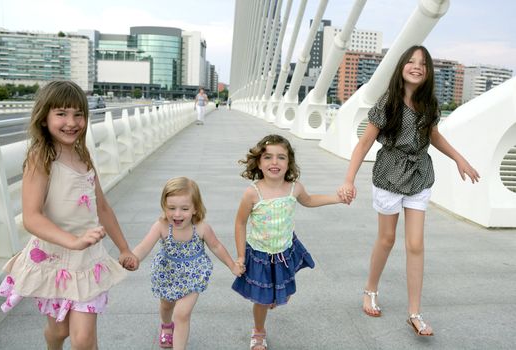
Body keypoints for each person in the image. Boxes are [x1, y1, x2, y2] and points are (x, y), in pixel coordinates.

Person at [337, 45, 480, 336]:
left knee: (416, 244)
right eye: (411, 62)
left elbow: (434, 136)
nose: (417, 66)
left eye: (423, 64)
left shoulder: (430, 105)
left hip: (419, 174)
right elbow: (364, 143)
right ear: (402, 66)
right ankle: (370, 289)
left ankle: (415, 312)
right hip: (390, 173)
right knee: (387, 239)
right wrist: (348, 180)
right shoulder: (388, 102)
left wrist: (459, 159)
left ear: (428, 72)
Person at [0, 80, 139, 349]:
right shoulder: (41, 158)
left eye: (78, 114)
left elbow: (103, 207)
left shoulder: (83, 156)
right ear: (44, 118)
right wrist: (72, 241)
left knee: (83, 339)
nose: (71, 122)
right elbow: (32, 217)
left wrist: (124, 248)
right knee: (59, 331)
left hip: (87, 260)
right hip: (54, 258)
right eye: (61, 113)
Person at [232, 134, 348, 350]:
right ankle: (258, 331)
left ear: (289, 162)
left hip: (285, 252)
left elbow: (310, 200)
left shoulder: (295, 188)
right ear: (259, 162)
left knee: (283, 293)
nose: (274, 162)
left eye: (281, 157)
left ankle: (274, 295)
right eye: (268, 157)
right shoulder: (252, 193)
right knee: (262, 300)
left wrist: (336, 198)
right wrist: (240, 256)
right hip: (260, 255)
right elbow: (240, 223)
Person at [125, 177, 244, 349]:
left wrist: (232, 265)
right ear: (164, 206)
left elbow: (216, 246)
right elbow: (144, 246)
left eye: (184, 208)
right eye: (171, 208)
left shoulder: (201, 227)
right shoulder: (161, 226)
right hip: (167, 273)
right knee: (166, 306)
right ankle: (166, 326)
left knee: (182, 314)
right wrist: (133, 258)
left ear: (195, 208)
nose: (177, 214)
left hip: (193, 275)